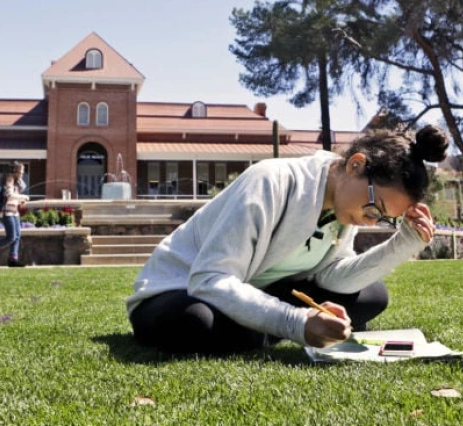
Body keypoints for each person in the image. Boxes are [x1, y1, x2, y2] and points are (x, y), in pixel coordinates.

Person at [127, 125, 449, 354]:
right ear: (355, 165)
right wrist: (295, 322)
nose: (370, 220)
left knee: (372, 296)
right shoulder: (271, 181)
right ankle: (258, 330)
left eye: (382, 218)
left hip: (257, 287)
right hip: (178, 288)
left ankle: (256, 329)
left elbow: (331, 274)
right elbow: (209, 278)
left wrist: (404, 243)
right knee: (196, 322)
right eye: (374, 208)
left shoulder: (342, 207)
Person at [0, 161, 29, 267]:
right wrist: (23, 197)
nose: (22, 174)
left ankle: (13, 259)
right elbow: (9, 195)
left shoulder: (17, 182)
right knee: (11, 237)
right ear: (15, 171)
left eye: (23, 172)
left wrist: (21, 201)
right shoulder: (9, 180)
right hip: (7, 212)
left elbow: (19, 192)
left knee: (17, 236)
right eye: (20, 172)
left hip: (15, 212)